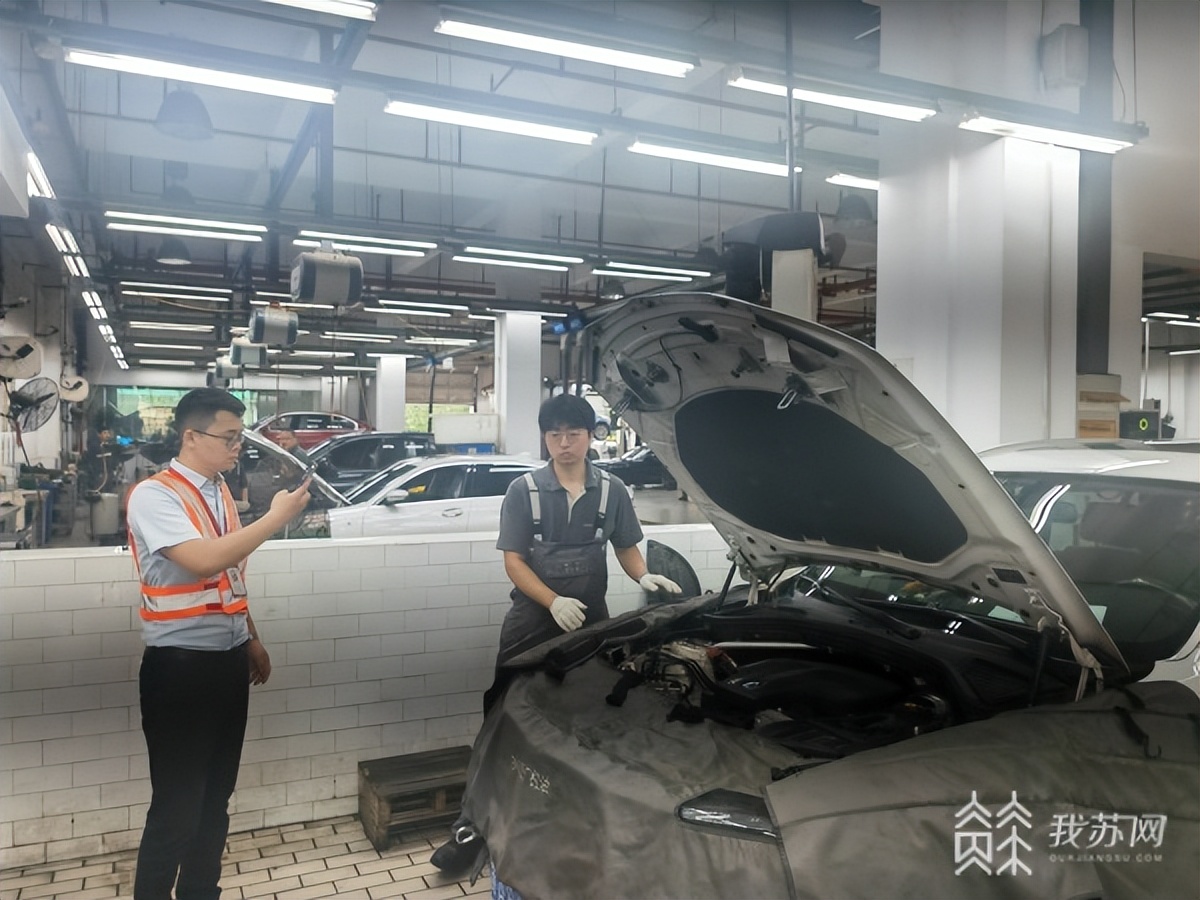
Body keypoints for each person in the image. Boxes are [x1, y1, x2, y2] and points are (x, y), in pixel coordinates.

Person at [430, 394, 681, 874]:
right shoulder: (523, 491)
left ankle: (573, 817)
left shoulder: (612, 490)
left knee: (585, 715)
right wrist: (552, 601)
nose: (564, 444)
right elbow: (513, 561)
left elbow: (627, 547)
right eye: (554, 435)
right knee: (503, 717)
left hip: (592, 620)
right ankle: (471, 825)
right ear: (545, 438)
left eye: (574, 434)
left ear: (591, 437)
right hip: (531, 621)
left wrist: (643, 576)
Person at [124, 388, 312, 900]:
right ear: (191, 436)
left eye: (239, 439)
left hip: (227, 664)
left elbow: (227, 574)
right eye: (230, 438)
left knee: (215, 802)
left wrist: (251, 637)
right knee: (176, 809)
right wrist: (277, 517)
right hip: (180, 670)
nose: (237, 449)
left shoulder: (218, 491)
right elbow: (203, 560)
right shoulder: (154, 494)